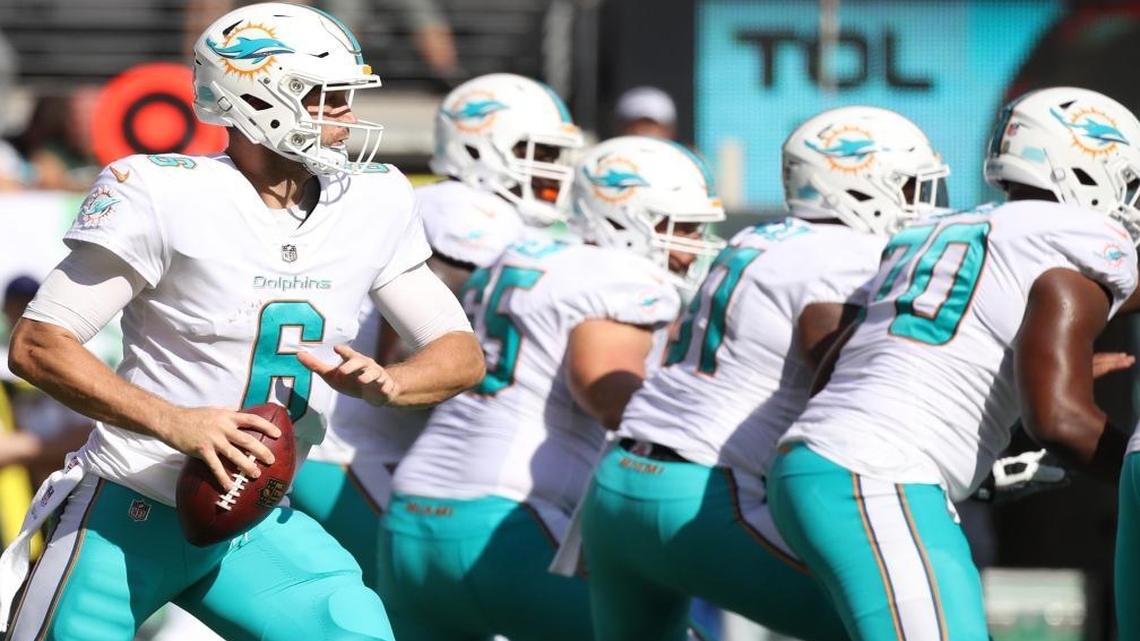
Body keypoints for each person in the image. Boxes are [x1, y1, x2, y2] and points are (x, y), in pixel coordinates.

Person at [0, 4, 484, 641]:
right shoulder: (162, 192)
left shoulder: (372, 199)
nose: (345, 115)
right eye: (325, 97)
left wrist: (389, 382)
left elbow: (459, 354)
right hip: (128, 503)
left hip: (256, 516)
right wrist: (178, 422)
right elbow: (38, 347)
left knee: (356, 630)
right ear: (256, 100)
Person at [768, 86, 1140, 640]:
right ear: (1087, 174)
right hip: (880, 476)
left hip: (812, 466)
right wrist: (1129, 473)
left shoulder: (940, 232)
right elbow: (1059, 420)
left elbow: (836, 370)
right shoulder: (1078, 242)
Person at [578, 106, 950, 641]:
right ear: (859, 184)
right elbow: (845, 383)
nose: (920, 202)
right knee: (896, 623)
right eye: (908, 185)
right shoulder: (851, 256)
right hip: (702, 496)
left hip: (616, 485)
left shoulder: (756, 240)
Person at [377, 135, 725, 641]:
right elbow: (604, 390)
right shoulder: (624, 277)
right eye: (683, 227)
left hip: (410, 519)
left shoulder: (523, 255)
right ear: (630, 220)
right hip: (507, 523)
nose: (692, 244)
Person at [293, 71, 583, 589]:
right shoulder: (464, 212)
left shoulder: (470, 209)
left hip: (368, 453)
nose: (553, 170)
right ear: (477, 148)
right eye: (535, 150)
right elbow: (410, 345)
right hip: (357, 453)